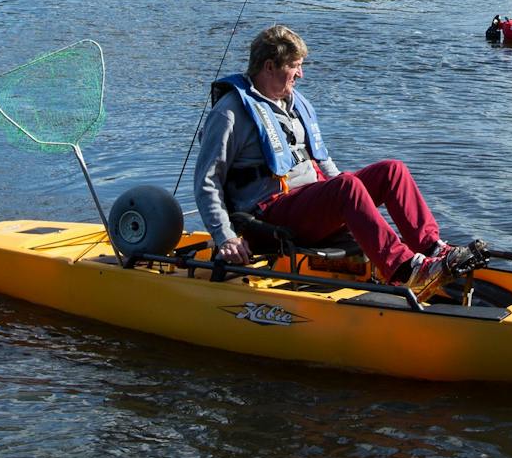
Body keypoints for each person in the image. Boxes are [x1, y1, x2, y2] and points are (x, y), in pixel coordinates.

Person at [192, 24, 465, 299]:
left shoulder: (292, 103)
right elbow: (207, 181)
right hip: (267, 215)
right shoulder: (229, 113)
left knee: (392, 171)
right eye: (294, 66)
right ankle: (405, 270)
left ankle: (432, 249)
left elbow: (323, 162)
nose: (301, 74)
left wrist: (349, 202)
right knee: (346, 187)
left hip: (308, 203)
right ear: (269, 67)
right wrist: (225, 237)